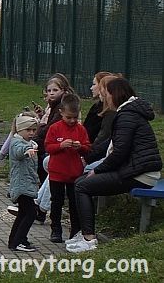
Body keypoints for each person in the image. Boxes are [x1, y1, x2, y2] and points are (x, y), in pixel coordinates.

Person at [68, 78, 162, 253]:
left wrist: (98, 169)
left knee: (82, 186)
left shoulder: (127, 115)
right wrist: (86, 156)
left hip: (140, 175)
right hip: (136, 170)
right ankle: (85, 233)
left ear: (115, 94)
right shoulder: (128, 113)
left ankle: (89, 239)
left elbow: (119, 152)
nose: (104, 98)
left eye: (106, 94)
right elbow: (110, 145)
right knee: (81, 181)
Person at [45, 93, 90, 243]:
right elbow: (48, 147)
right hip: (57, 173)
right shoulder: (54, 128)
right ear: (61, 113)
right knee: (56, 202)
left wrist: (80, 147)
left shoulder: (80, 129)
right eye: (68, 117)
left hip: (74, 173)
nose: (72, 121)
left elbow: (87, 147)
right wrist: (60, 146)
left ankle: (75, 230)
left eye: (75, 118)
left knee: (74, 203)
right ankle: (55, 230)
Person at [7, 113, 40, 252]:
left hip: (26, 183)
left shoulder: (29, 143)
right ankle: (18, 241)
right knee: (31, 213)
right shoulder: (17, 143)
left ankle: (15, 240)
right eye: (28, 130)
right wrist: (28, 151)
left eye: (33, 130)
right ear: (20, 130)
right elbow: (19, 152)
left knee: (23, 213)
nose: (31, 133)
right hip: (21, 185)